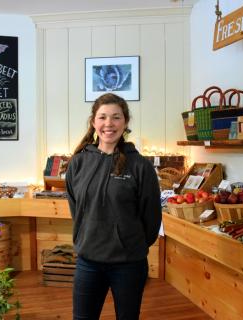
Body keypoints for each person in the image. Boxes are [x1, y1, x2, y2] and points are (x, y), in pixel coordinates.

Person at [66, 93, 162, 320]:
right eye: (103, 117)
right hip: (88, 262)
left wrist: (128, 242)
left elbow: (151, 219)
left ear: (125, 122)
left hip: (128, 264)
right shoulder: (78, 162)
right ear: (94, 122)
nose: (109, 124)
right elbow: (76, 209)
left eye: (116, 117)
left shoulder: (140, 166)